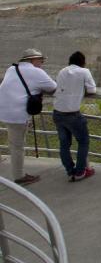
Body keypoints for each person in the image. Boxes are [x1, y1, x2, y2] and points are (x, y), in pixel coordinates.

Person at [0, 49, 57, 185]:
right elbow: (53, 87)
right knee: (17, 146)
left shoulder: (12, 69)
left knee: (13, 142)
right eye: (40, 60)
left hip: (4, 110)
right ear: (32, 60)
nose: (42, 63)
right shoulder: (36, 72)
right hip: (17, 114)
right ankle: (19, 176)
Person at [52, 51, 97, 182]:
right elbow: (92, 90)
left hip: (57, 113)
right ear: (83, 62)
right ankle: (80, 172)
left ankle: (70, 170)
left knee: (64, 144)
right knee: (83, 142)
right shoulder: (84, 72)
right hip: (72, 114)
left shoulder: (62, 71)